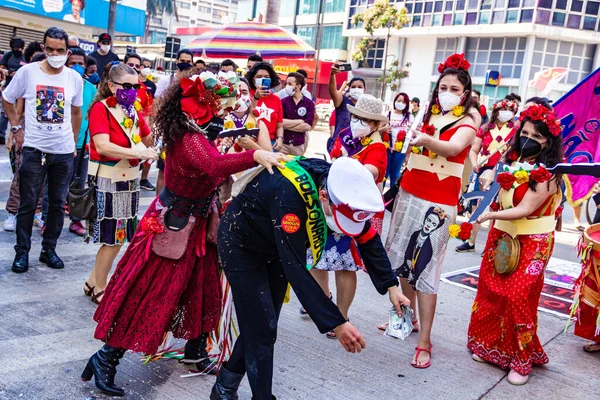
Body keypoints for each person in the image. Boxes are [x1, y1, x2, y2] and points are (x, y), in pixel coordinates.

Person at [81, 71, 286, 397]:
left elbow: (215, 158)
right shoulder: (189, 137)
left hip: (197, 226)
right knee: (150, 295)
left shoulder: (195, 130)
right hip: (174, 227)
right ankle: (105, 358)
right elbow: (215, 165)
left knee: (200, 290)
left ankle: (195, 350)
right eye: (218, 101)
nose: (224, 106)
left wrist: (243, 142)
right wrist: (256, 154)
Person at [212, 156, 410, 400]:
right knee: (262, 328)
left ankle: (223, 388)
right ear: (324, 197)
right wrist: (337, 323)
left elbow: (367, 238)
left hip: (274, 246)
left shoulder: (339, 184)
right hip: (242, 246)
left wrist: (391, 286)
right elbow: (295, 267)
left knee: (263, 324)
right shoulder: (289, 196)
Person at [385, 53, 481, 368]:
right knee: (402, 260)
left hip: (438, 204)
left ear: (465, 94)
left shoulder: (468, 122)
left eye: (454, 88)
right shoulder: (428, 115)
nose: (448, 92)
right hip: (410, 193)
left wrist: (425, 139)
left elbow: (454, 149)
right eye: (443, 86)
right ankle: (405, 318)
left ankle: (425, 340)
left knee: (426, 270)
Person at [468, 104, 564, 385]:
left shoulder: (549, 173)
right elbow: (499, 192)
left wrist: (489, 214)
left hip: (533, 241)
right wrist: (488, 183)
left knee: (518, 298)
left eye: (537, 136)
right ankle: (492, 349)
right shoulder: (510, 162)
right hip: (502, 236)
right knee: (490, 292)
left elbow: (524, 209)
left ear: (548, 141)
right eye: (524, 132)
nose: (528, 139)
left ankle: (521, 360)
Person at [2, 27, 83, 273]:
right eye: (50, 49)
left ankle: (49, 250)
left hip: (63, 152)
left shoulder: (74, 78)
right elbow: (6, 97)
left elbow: (76, 112)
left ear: (67, 52)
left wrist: (73, 141)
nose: (55, 53)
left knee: (57, 205)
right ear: (43, 48)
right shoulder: (27, 72)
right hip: (34, 150)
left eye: (60, 50)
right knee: (28, 203)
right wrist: (16, 128)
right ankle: (22, 253)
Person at [308, 95, 388, 338]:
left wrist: (346, 167)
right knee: (316, 255)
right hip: (327, 202)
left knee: (344, 264)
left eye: (364, 119)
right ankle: (324, 303)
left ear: (375, 125)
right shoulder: (346, 136)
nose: (357, 122)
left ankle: (341, 314)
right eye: (355, 117)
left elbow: (370, 173)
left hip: (351, 211)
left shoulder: (377, 148)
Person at [81, 62, 157, 304]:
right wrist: (140, 151)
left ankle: (92, 281)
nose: (133, 91)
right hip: (109, 178)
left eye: (136, 86)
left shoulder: (132, 108)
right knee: (113, 237)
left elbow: (146, 137)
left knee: (120, 235)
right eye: (127, 86)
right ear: (111, 86)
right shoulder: (101, 109)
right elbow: (102, 145)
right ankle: (100, 288)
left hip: (130, 177)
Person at [456, 99, 518, 253]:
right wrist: (474, 162)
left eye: (510, 110)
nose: (506, 113)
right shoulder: (484, 129)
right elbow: (474, 150)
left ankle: (492, 244)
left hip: (503, 172)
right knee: (478, 207)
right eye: (503, 109)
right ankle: (471, 241)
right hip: (483, 170)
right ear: (496, 111)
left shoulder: (516, 131)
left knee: (496, 209)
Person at [66, 47, 97, 236]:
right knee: (55, 185)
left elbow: (92, 116)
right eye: (73, 64)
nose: (77, 67)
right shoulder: (60, 85)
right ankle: (46, 218)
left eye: (80, 64)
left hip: (82, 144)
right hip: (60, 145)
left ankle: (75, 220)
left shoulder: (91, 88)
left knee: (79, 185)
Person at [224, 77, 271, 151]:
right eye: (236, 92)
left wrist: (253, 146)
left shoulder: (258, 123)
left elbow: (270, 155)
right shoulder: (219, 121)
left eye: (244, 92)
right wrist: (221, 148)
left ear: (250, 96)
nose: (240, 96)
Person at [327, 65, 365, 153]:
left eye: (360, 87)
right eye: (353, 87)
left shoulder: (365, 107)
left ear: (364, 89)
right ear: (349, 89)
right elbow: (332, 91)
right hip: (338, 147)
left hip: (357, 149)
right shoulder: (343, 101)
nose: (356, 89)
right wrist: (332, 75)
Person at [246, 62, 284, 147]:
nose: (263, 79)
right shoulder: (247, 95)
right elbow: (248, 115)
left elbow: (280, 125)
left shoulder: (276, 99)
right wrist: (256, 97)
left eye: (266, 77)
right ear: (253, 79)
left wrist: (280, 138)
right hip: (249, 141)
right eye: (259, 77)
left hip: (270, 143)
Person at [280, 72, 315, 156]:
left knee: (295, 167)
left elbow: (307, 126)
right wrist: (299, 121)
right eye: (286, 83)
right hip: (283, 144)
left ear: (298, 86)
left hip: (298, 145)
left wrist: (287, 125)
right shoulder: (283, 102)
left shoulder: (309, 103)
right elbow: (280, 122)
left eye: (290, 84)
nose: (287, 86)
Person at [385, 92, 414, 186]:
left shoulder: (409, 117)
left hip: (400, 150)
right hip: (387, 148)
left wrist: (408, 151)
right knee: (384, 173)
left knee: (395, 175)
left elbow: (412, 134)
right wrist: (384, 129)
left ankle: (392, 197)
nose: (400, 103)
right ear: (394, 101)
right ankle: (381, 197)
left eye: (404, 102)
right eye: (399, 100)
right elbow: (378, 129)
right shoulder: (387, 114)